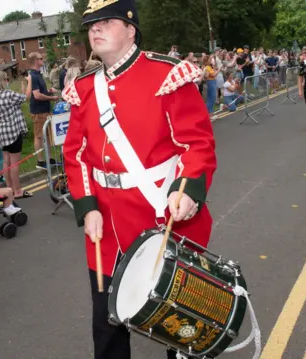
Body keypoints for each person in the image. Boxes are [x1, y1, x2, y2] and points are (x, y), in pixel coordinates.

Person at [62, 1, 217, 358]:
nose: (95, 30)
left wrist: (187, 190)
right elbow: (76, 155)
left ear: (131, 30)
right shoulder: (84, 88)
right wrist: (87, 208)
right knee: (106, 324)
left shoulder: (166, 75)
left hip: (162, 216)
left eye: (106, 22)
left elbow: (196, 143)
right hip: (106, 228)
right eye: (91, 25)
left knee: (178, 324)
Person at [0, 70, 33, 199]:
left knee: (6, 161)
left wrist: (22, 86)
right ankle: (18, 190)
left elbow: (19, 97)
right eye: (5, 79)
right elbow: (26, 97)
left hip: (1, 133)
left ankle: (10, 189)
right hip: (13, 131)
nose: (7, 81)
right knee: (14, 163)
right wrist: (30, 81)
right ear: (2, 81)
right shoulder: (8, 94)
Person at [28, 52, 60, 169]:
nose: (43, 60)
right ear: (36, 60)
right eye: (41, 58)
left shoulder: (38, 74)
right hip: (38, 111)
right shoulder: (33, 76)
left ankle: (50, 159)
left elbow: (41, 91)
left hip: (45, 109)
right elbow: (36, 95)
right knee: (39, 136)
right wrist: (51, 97)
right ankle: (40, 162)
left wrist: (48, 91)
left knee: (47, 134)